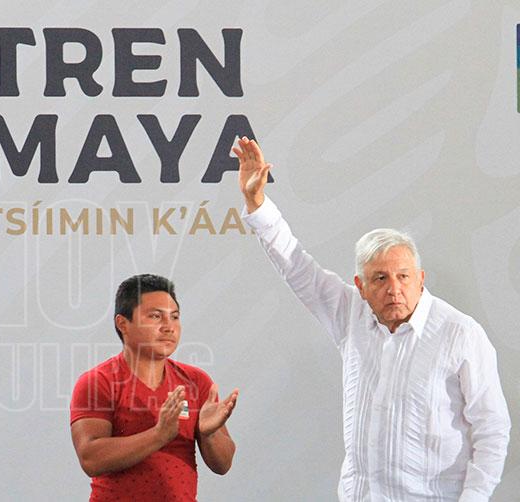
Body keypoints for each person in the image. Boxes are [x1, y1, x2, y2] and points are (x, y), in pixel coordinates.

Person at [234, 136, 511, 501]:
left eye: (403, 277)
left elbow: (492, 431)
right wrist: (256, 202)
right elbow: (296, 266)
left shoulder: (460, 334)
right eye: (380, 279)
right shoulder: (350, 312)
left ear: (421, 279)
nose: (394, 289)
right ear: (360, 286)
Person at [69, 274, 239, 502]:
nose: (169, 327)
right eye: (155, 316)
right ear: (123, 324)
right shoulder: (97, 382)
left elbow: (223, 465)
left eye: (174, 317)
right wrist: (158, 435)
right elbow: (91, 458)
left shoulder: (195, 381)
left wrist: (209, 434)